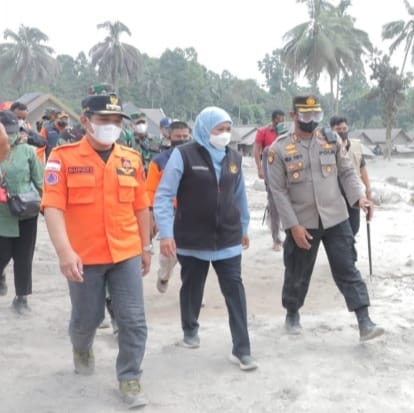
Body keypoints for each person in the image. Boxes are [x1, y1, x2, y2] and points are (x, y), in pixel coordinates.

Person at [41, 93, 150, 408]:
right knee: (87, 319)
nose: (111, 126)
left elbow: (141, 206)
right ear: (86, 121)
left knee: (133, 319)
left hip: (125, 252)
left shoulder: (131, 159)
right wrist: (64, 252)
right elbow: (53, 207)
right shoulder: (62, 158)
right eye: (104, 120)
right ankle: (81, 346)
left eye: (116, 121)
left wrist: (146, 246)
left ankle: (129, 377)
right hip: (84, 256)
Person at [267, 95, 384, 342]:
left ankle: (364, 320)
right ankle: (292, 313)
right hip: (303, 222)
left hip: (336, 217)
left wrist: (360, 198)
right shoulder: (278, 149)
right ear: (294, 116)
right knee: (298, 271)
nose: (312, 120)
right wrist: (293, 226)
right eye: (306, 115)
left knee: (346, 267)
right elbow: (278, 192)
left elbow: (347, 173)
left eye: (316, 115)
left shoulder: (331, 140)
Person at [154, 106, 257, 371]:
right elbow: (164, 196)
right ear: (204, 129)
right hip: (192, 238)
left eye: (228, 129)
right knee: (192, 287)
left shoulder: (234, 157)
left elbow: (240, 196)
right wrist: (166, 233)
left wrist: (243, 227)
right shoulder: (183, 155)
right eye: (219, 129)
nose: (224, 134)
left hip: (228, 238)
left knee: (235, 291)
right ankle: (190, 330)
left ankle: (242, 349)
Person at [0, 111, 43, 313]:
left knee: (24, 256)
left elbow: (40, 181)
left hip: (26, 212)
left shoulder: (27, 151)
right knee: (3, 254)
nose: (10, 136)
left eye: (12, 131)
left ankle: (22, 298)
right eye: (5, 132)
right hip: (2, 215)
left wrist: (49, 206)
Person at [146, 120, 191, 293]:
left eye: (185, 136)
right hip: (169, 212)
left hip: (192, 211)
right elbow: (150, 190)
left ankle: (193, 290)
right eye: (178, 136)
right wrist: (152, 215)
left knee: (193, 255)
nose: (182, 140)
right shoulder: (159, 161)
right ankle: (164, 275)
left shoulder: (196, 158)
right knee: (169, 254)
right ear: (169, 137)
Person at [329, 115, 373, 236]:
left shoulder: (356, 146)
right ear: (331, 130)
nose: (342, 132)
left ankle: (349, 244)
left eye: (344, 129)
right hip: (335, 194)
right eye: (338, 129)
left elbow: (362, 167)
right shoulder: (327, 148)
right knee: (339, 229)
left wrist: (368, 188)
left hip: (354, 193)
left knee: (354, 227)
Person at [254, 109, 285, 250]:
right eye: (279, 120)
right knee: (274, 203)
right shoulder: (263, 132)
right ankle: (276, 239)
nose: (281, 122)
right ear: (273, 120)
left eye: (283, 120)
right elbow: (257, 150)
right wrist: (259, 168)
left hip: (285, 172)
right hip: (270, 171)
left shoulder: (285, 133)